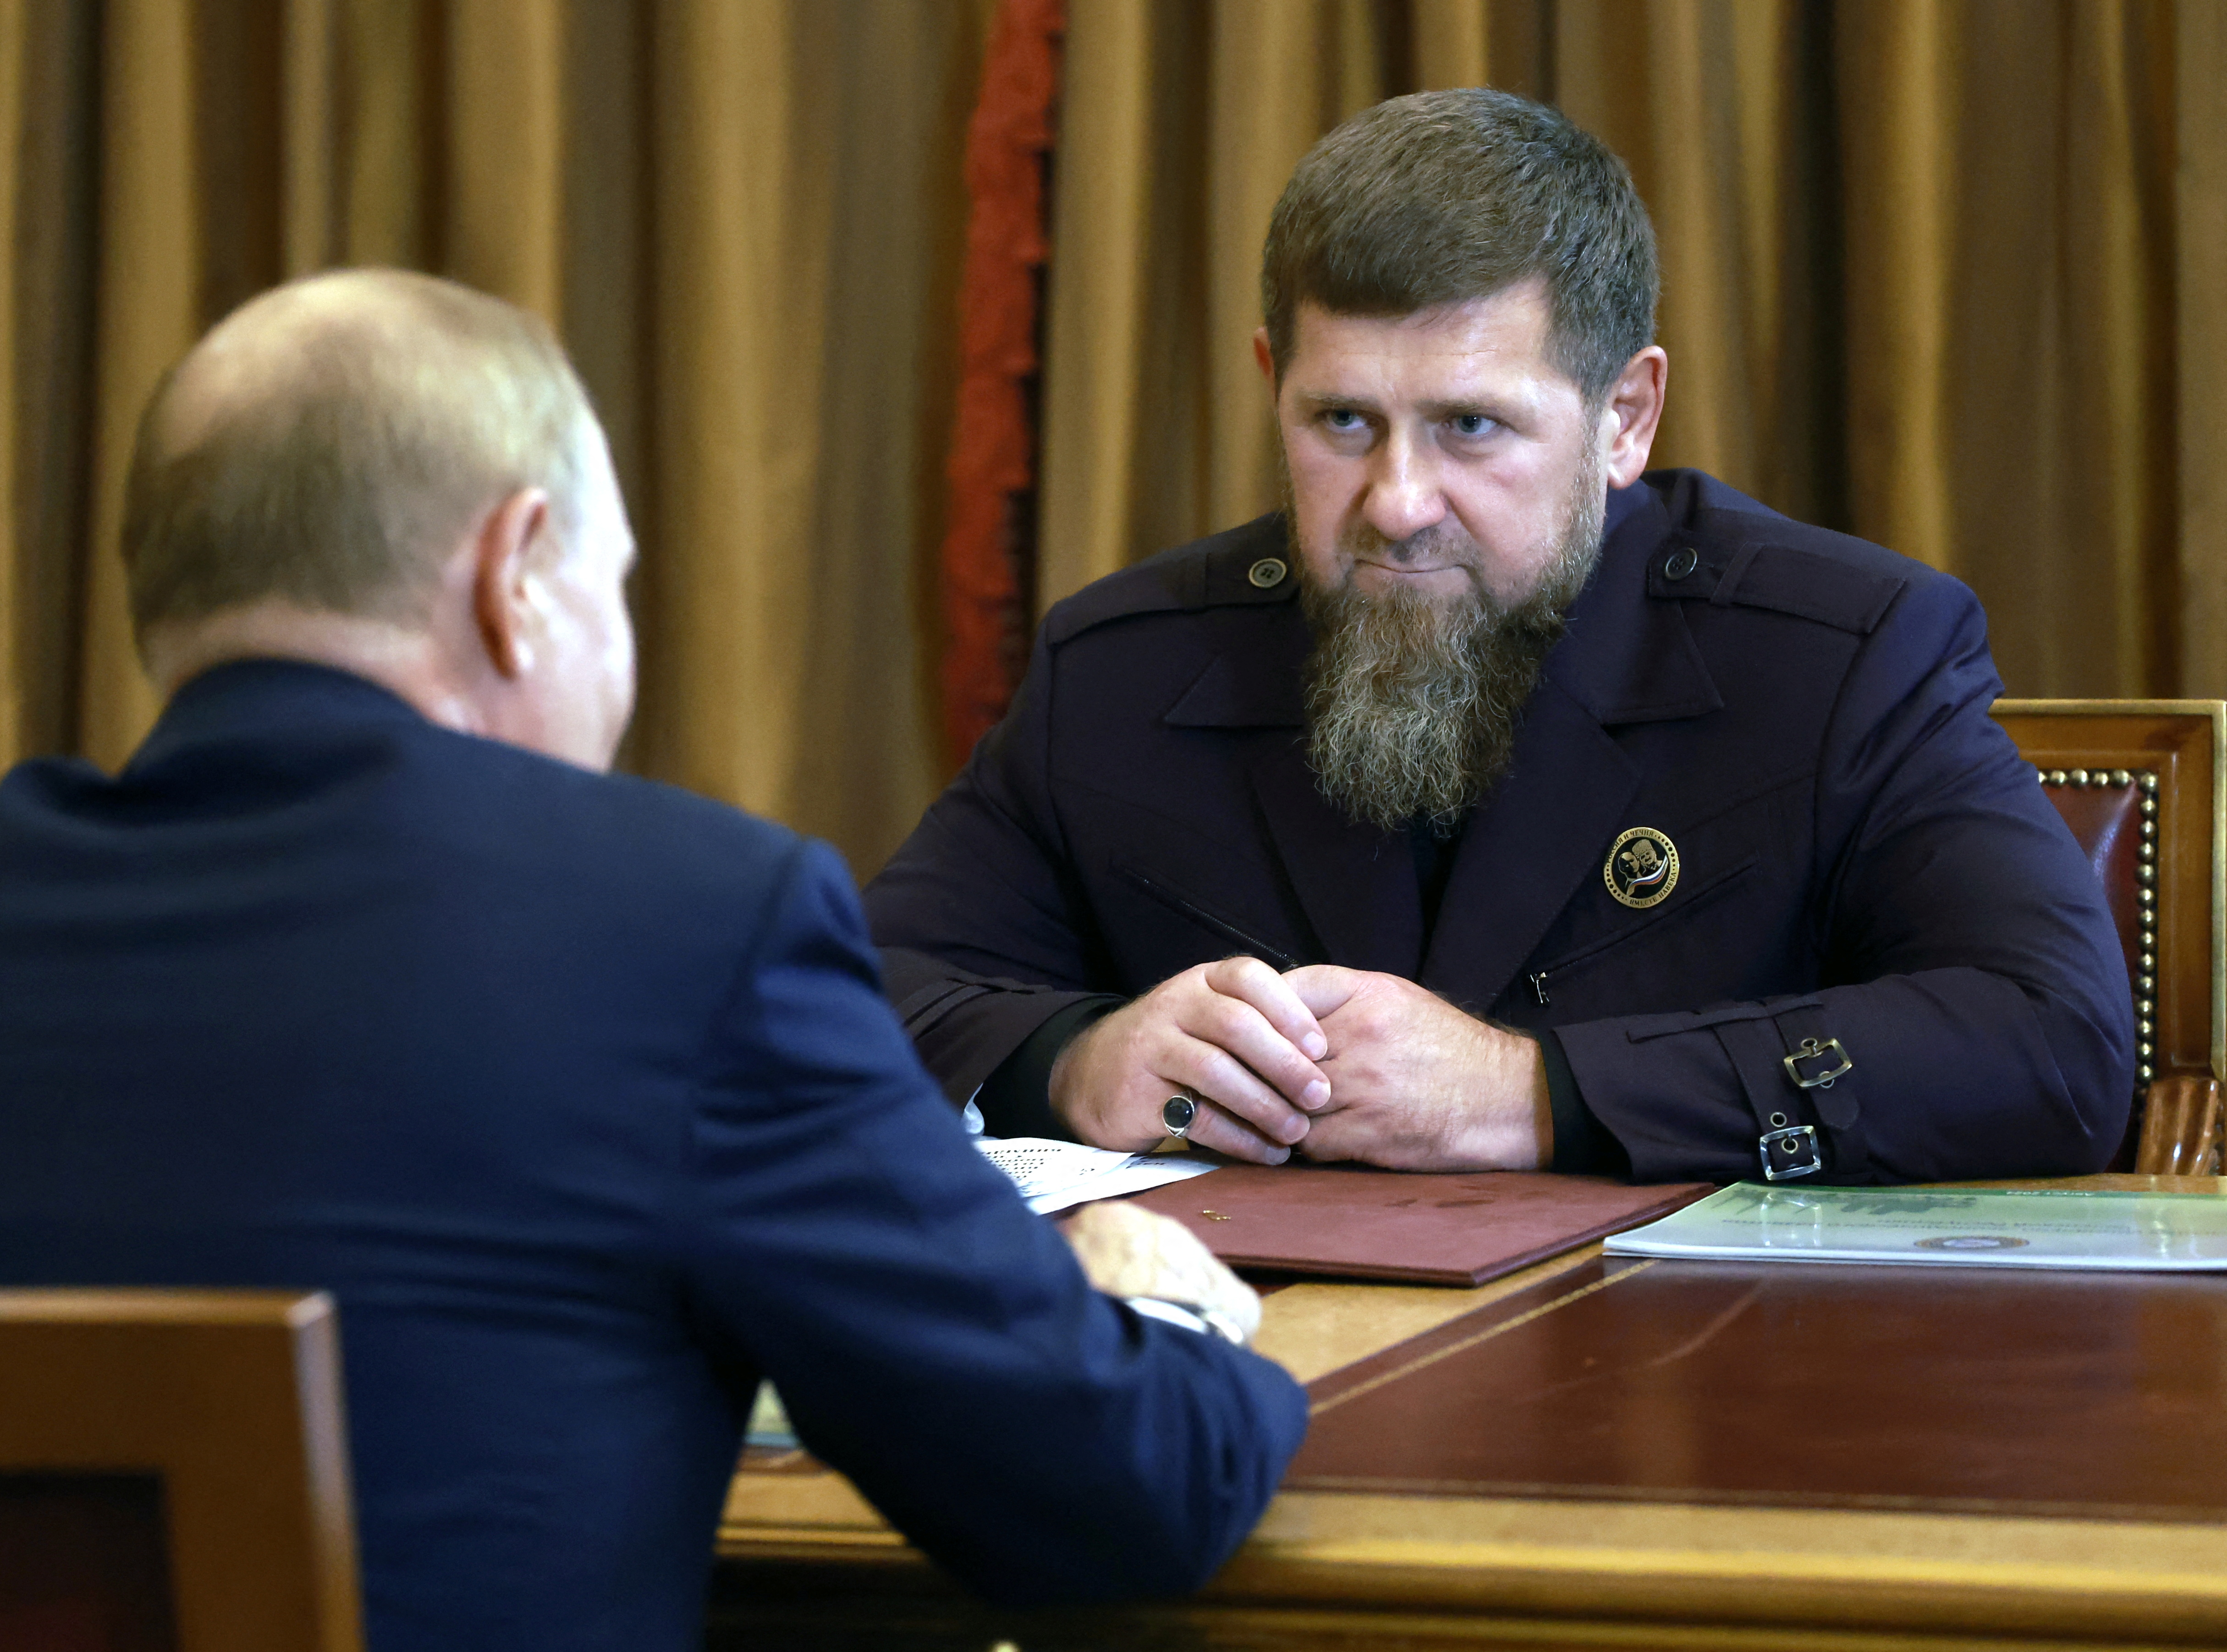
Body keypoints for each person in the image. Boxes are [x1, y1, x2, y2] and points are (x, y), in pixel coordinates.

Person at [0, 271, 1306, 1652]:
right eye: (616, 584)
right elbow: (1116, 1495)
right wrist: (1150, 1309)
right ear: (517, 569)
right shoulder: (684, 931)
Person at [866, 89, 2133, 1187]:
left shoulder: (1843, 653)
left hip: (1693, 1400)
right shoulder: (1122, 667)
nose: (1397, 501)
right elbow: (837, 998)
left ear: (1624, 416)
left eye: (1470, 426)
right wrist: (1073, 1062)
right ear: (1271, 383)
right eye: (1342, 422)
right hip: (1248, 1382)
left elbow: (2053, 1044)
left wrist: (1531, 1094)